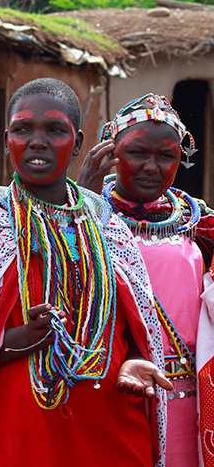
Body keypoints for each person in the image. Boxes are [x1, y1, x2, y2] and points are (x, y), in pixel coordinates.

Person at [0, 78, 171, 466]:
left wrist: (130, 360)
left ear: (77, 143)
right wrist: (20, 338)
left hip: (109, 427)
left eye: (55, 130)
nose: (37, 141)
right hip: (18, 434)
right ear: (8, 140)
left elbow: (131, 328)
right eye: (23, 129)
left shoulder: (108, 229)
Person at [77, 93, 214, 467]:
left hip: (190, 395)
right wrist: (82, 202)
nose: (152, 167)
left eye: (167, 156)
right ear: (111, 151)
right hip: (115, 390)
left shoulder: (199, 224)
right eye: (137, 152)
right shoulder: (83, 218)